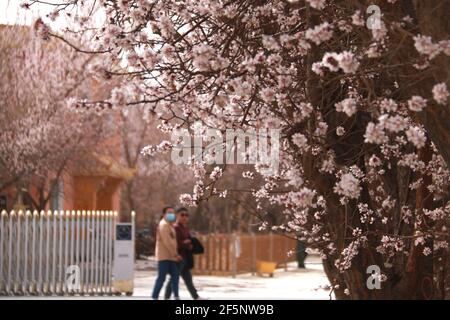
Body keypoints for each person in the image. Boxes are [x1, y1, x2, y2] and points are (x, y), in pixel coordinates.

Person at [164, 207, 201, 300]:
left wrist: (191, 244)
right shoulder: (175, 228)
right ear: (177, 215)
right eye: (182, 215)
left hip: (185, 257)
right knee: (174, 278)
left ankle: (196, 297)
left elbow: (187, 240)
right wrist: (185, 243)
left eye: (186, 215)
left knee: (188, 279)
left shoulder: (185, 228)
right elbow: (173, 243)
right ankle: (166, 297)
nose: (184, 217)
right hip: (178, 257)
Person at [151, 206, 182, 299]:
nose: (171, 214)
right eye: (169, 212)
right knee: (162, 278)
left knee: (175, 276)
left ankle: (176, 296)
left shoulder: (169, 225)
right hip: (164, 256)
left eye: (172, 212)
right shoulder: (163, 225)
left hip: (170, 257)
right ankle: (154, 296)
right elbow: (167, 242)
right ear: (164, 214)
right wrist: (175, 254)